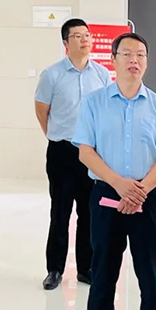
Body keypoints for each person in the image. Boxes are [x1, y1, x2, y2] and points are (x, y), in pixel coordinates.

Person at [73, 33, 156, 310]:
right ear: (113, 60)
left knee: (151, 275)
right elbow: (85, 151)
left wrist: (140, 191)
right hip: (106, 193)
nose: (135, 60)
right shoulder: (94, 103)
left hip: (149, 196)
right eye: (127, 54)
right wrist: (121, 184)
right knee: (103, 272)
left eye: (141, 55)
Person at [35, 18, 111, 290]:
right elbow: (42, 111)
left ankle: (86, 268)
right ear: (66, 43)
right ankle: (54, 269)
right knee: (60, 211)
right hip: (62, 152)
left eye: (87, 35)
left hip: (92, 153)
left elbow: (106, 111)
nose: (85, 39)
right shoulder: (52, 74)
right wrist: (56, 135)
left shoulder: (101, 74)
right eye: (78, 36)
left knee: (89, 212)